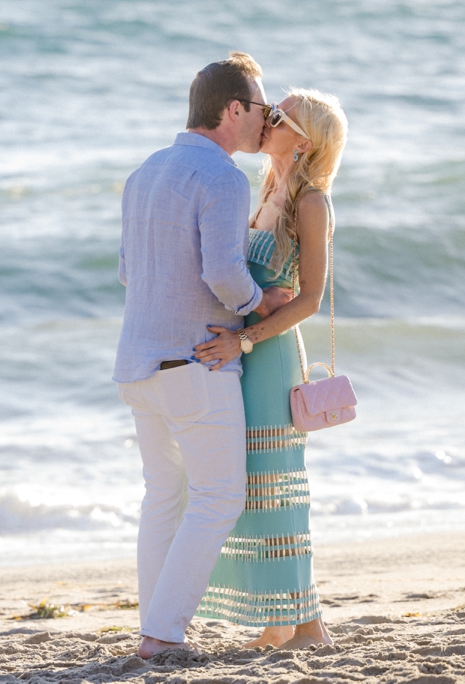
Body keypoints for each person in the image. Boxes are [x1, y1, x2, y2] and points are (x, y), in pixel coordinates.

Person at [114, 52, 293, 659]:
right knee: (219, 498)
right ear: (233, 110)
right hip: (195, 364)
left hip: (137, 364)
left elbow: (126, 272)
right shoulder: (221, 177)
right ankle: (162, 634)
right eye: (262, 110)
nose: (265, 120)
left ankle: (155, 625)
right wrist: (259, 302)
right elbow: (221, 272)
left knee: (164, 497)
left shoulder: (146, 171)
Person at [191, 89, 348, 650]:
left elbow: (309, 299)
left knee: (278, 492)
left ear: (303, 142)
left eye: (278, 117)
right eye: (268, 109)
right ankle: (278, 623)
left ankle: (310, 626)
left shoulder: (312, 203)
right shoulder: (265, 189)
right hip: (247, 354)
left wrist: (246, 339)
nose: (266, 120)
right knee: (254, 488)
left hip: (272, 356)